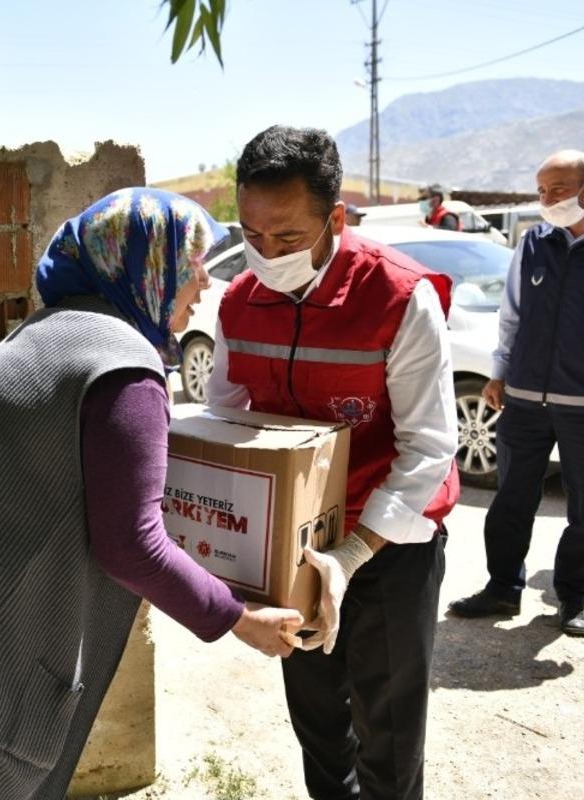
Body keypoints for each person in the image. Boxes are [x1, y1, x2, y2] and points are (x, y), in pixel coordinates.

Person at [0, 188, 305, 800]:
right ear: (149, 266)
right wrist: (236, 617)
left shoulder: (51, 328)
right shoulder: (125, 366)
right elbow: (131, 544)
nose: (205, 283)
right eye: (193, 263)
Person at [207, 125, 460, 800]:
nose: (265, 254)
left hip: (387, 546)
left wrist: (349, 557)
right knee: (318, 720)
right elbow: (226, 421)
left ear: (336, 219)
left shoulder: (400, 298)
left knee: (390, 732)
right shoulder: (238, 303)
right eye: (251, 234)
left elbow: (430, 448)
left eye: (287, 238)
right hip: (295, 549)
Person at [449, 150, 584, 636]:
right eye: (541, 190)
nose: (546, 200)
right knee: (510, 501)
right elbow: (511, 318)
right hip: (526, 401)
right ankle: (503, 587)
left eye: (557, 190)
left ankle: (573, 598)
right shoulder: (533, 244)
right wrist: (497, 373)